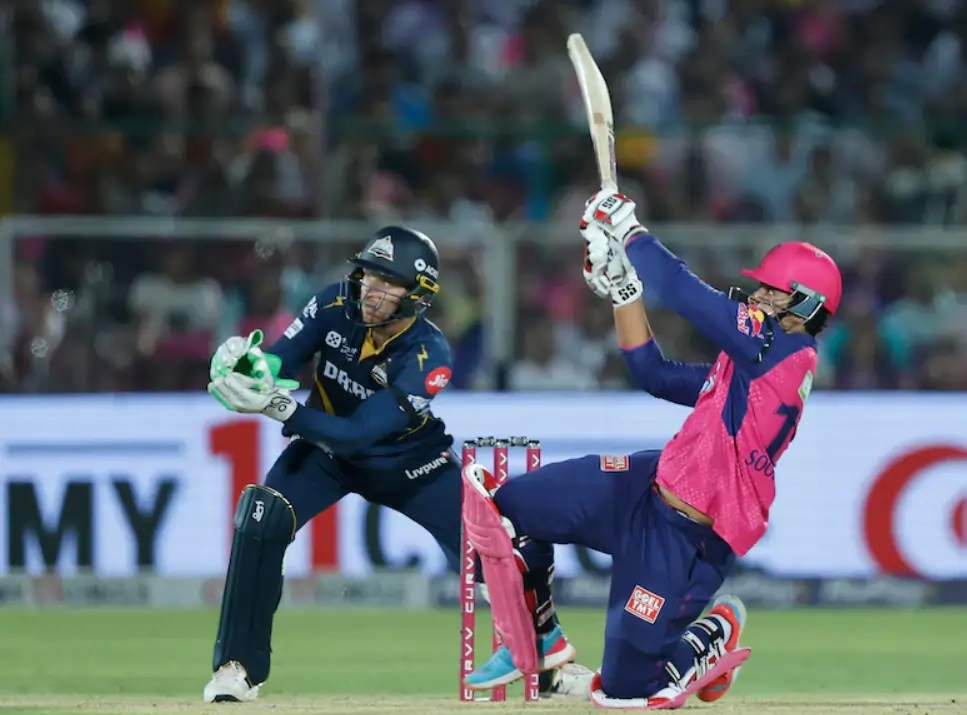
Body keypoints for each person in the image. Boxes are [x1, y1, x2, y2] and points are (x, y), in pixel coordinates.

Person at [462, 192, 843, 708]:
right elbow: (652, 373)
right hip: (644, 486)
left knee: (625, 692)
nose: (755, 297)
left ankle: (709, 637)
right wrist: (623, 290)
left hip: (688, 537)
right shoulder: (752, 361)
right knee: (504, 510)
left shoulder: (785, 351)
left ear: (805, 304)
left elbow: (683, 292)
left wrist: (632, 236)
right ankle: (542, 637)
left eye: (771, 292)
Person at [201, 226, 576, 702]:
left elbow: (360, 432)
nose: (372, 290)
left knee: (496, 543)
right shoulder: (334, 304)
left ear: (417, 295)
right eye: (369, 276)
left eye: (388, 282)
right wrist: (251, 367)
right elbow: (282, 359)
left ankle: (548, 667)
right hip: (324, 453)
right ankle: (237, 668)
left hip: (408, 463)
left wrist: (277, 407)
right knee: (261, 517)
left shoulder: (430, 355)